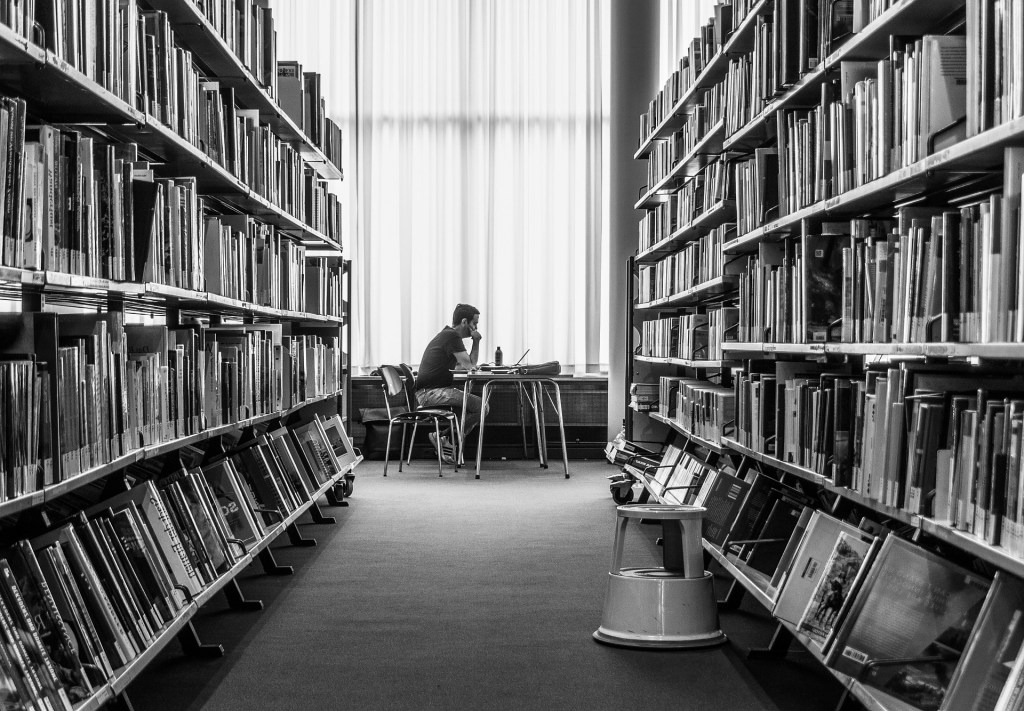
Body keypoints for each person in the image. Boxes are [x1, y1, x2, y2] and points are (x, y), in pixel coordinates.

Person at [415, 303, 487, 462]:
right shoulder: (451, 336)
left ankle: (444, 437)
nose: (475, 327)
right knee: (482, 407)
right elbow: (470, 365)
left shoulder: (447, 335)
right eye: (474, 323)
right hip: (430, 393)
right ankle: (443, 436)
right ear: (464, 321)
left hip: (431, 391)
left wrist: (468, 363)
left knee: (473, 407)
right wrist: (476, 342)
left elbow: (464, 364)